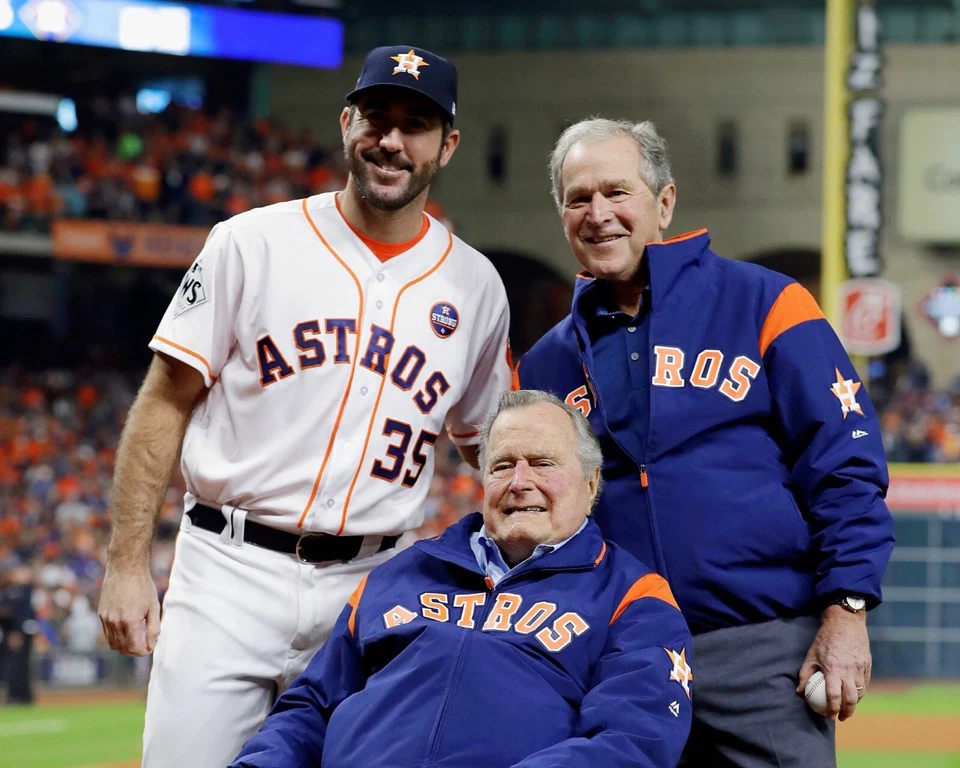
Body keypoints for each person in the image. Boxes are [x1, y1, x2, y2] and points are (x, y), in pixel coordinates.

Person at [97, 45, 513, 768]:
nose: (391, 140)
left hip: (372, 584)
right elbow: (165, 399)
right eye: (377, 118)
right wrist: (126, 563)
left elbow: (489, 444)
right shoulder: (252, 242)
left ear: (445, 146)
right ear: (347, 123)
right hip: (228, 571)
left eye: (415, 125)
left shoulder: (476, 288)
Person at [514, 118, 895, 767]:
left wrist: (847, 608)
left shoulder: (767, 303)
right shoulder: (547, 364)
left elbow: (845, 466)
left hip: (762, 650)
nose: (598, 213)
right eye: (578, 198)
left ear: (663, 202)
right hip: (623, 656)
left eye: (616, 192)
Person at [230, 390, 693, 768]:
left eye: (543, 463)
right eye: (503, 465)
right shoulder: (403, 572)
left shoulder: (633, 596)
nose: (520, 481)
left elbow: (634, 740)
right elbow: (310, 707)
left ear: (591, 485)